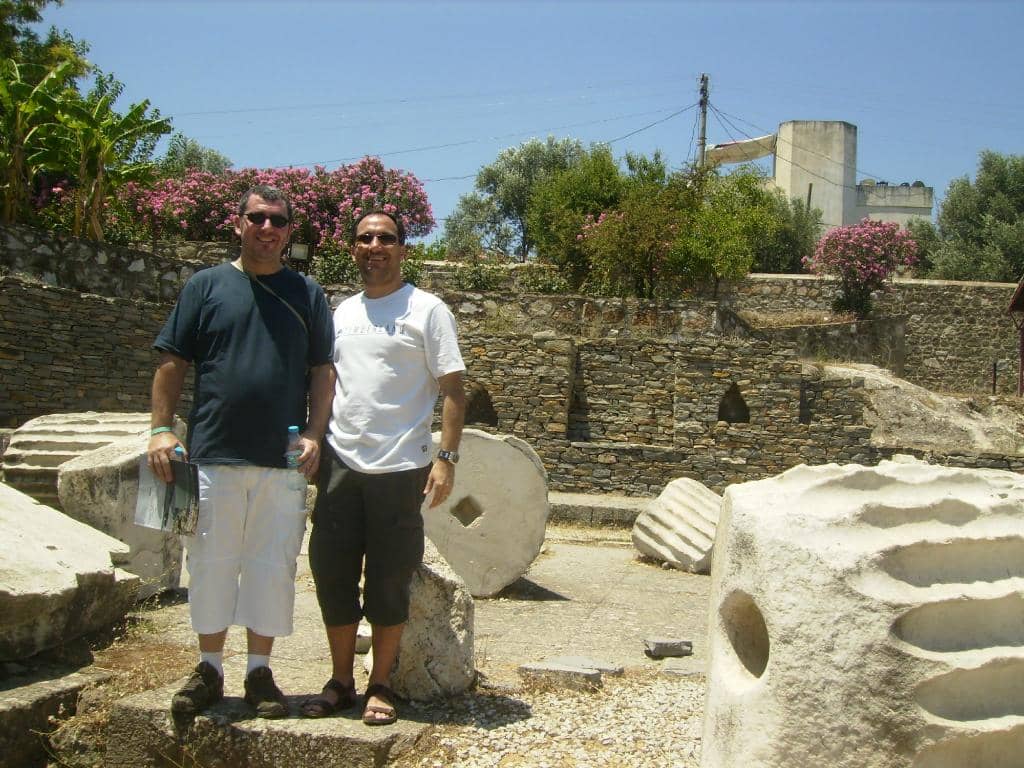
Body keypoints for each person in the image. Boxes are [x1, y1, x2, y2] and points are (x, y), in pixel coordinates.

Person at [147, 185, 334, 719]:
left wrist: (316, 434)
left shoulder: (308, 294)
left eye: (278, 221)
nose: (267, 228)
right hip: (212, 454)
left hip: (283, 459)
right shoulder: (206, 286)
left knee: (271, 567)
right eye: (258, 218)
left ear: (290, 231)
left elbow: (322, 371)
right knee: (209, 563)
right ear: (239, 222)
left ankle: (259, 672)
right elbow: (171, 360)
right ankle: (209, 667)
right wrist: (161, 429)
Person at [303, 210, 465, 725]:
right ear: (352, 248)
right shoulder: (339, 312)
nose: (375, 245)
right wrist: (312, 437)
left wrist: (447, 457)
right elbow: (326, 383)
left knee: (390, 581)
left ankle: (381, 684)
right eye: (365, 238)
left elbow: (454, 389)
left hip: (401, 469)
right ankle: (340, 680)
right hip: (340, 464)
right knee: (332, 573)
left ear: (403, 249)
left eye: (386, 238)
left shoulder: (428, 309)